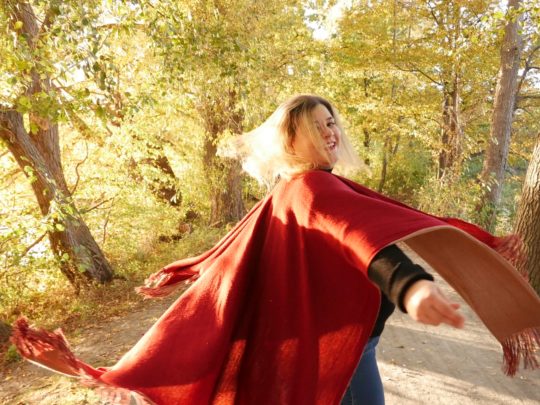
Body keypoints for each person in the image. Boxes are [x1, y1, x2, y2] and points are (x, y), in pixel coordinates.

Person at [12, 95, 540, 405]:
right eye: (317, 125)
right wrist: (412, 288)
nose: (331, 132)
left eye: (332, 123)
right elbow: (361, 240)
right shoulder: (313, 190)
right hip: (347, 358)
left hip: (337, 349)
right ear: (291, 141)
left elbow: (267, 252)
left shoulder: (292, 192)